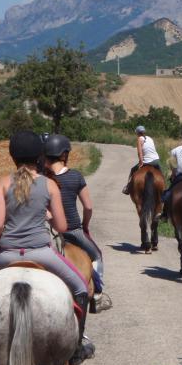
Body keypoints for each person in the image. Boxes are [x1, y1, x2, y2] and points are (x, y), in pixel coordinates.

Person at [0, 130, 94, 365]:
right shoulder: (49, 185)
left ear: (13, 157)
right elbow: (62, 226)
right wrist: (49, 216)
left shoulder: (3, 184)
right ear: (39, 157)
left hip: (7, 255)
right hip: (42, 253)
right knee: (81, 288)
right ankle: (76, 348)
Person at [43, 133, 111, 312]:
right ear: (64, 155)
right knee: (96, 255)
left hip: (49, 231)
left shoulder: (42, 178)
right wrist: (85, 225)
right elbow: (88, 207)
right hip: (72, 230)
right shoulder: (75, 177)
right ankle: (97, 296)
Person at [122, 125, 161, 195]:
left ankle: (128, 187)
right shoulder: (150, 138)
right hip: (156, 160)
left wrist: (141, 162)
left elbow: (140, 152)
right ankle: (164, 187)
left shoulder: (139, 139)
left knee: (132, 169)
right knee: (160, 173)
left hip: (147, 161)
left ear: (137, 133)